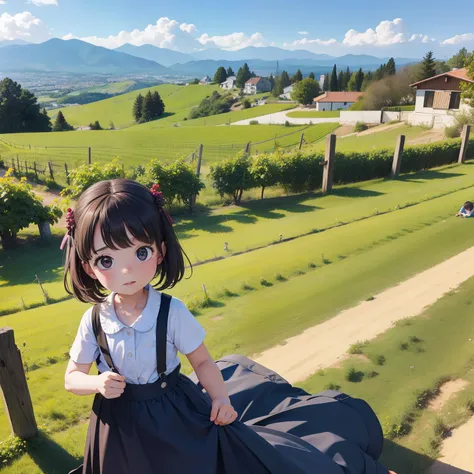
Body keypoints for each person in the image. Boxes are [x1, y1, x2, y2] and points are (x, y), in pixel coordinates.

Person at [63, 178, 396, 474]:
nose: (125, 271)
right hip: (117, 423)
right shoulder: (94, 320)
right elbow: (71, 377)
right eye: (106, 260)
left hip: (173, 412)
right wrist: (95, 383)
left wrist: (221, 398)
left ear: (161, 251)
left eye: (140, 251)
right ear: (89, 267)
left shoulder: (170, 312)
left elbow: (203, 361)